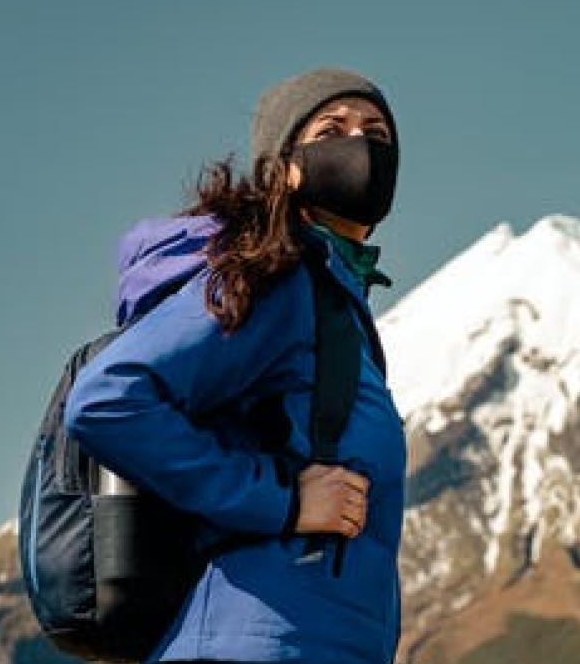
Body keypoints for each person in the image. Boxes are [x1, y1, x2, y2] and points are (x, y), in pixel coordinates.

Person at [63, 67, 408, 664]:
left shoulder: (336, 298)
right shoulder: (281, 279)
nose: (362, 146)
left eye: (377, 133)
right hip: (257, 638)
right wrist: (283, 501)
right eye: (333, 128)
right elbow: (108, 400)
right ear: (285, 169)